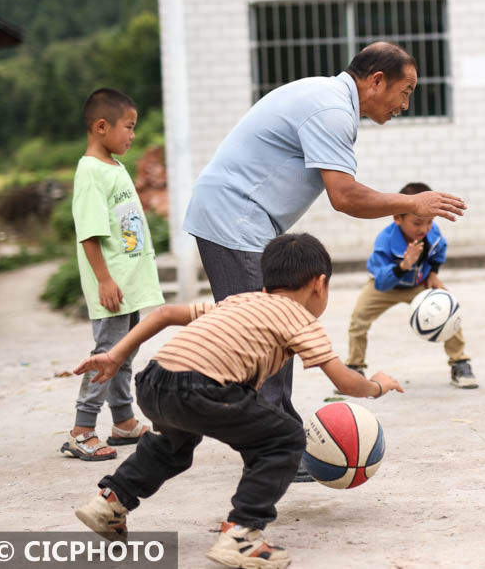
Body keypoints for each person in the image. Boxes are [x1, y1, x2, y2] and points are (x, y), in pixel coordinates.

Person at [183, 42, 465, 481]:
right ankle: (270, 449)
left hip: (244, 222)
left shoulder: (329, 101)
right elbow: (345, 196)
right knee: (266, 333)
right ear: (375, 81)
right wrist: (414, 201)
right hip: (234, 220)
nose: (405, 105)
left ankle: (279, 437)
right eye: (404, 91)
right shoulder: (331, 111)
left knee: (273, 331)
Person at [72, 233, 403, 569]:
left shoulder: (238, 300)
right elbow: (344, 381)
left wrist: (115, 355)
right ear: (320, 284)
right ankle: (242, 533)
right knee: (286, 438)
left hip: (156, 380)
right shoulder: (301, 319)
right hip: (203, 387)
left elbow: (167, 314)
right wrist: (377, 385)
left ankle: (110, 501)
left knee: (171, 446)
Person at [60, 88, 164, 463]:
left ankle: (123, 421)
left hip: (128, 283)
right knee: (107, 354)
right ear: (102, 127)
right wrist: (104, 279)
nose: (132, 135)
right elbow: (88, 232)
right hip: (113, 285)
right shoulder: (90, 172)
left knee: (124, 351)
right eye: (128, 127)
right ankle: (82, 430)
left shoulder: (114, 167)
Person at [346, 182, 477, 389]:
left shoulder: (433, 234)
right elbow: (380, 282)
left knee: (448, 309)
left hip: (419, 283)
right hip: (386, 285)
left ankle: (460, 362)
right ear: (397, 218)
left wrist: (433, 274)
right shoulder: (385, 241)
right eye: (417, 223)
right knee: (358, 319)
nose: (424, 229)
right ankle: (354, 367)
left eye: (429, 222)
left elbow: (440, 250)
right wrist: (404, 265)